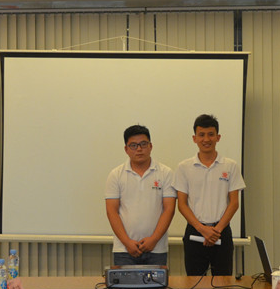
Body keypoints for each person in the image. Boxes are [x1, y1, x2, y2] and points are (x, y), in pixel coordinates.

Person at [173, 114, 246, 276]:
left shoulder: (230, 166)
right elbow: (182, 204)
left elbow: (234, 203)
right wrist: (202, 229)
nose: (206, 139)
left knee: (223, 284)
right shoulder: (184, 167)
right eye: (201, 135)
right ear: (194, 138)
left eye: (211, 134)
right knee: (194, 285)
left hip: (222, 232)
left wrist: (216, 231)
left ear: (218, 137)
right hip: (194, 232)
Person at [105, 125, 177, 266]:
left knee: (159, 282)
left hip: (156, 248)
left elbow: (169, 209)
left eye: (143, 144)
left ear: (150, 146)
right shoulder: (115, 175)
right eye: (133, 145)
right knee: (123, 282)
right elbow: (111, 211)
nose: (139, 149)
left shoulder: (166, 173)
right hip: (124, 249)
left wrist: (153, 239)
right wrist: (127, 242)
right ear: (126, 149)